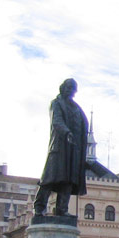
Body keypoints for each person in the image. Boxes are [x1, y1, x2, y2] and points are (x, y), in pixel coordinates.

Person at [33, 78, 89, 218]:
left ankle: (62, 209)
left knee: (69, 179)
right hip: (59, 146)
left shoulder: (76, 107)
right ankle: (39, 208)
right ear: (63, 88)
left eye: (73, 89)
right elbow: (56, 121)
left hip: (74, 149)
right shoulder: (56, 103)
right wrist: (67, 132)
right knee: (49, 178)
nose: (71, 91)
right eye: (69, 88)